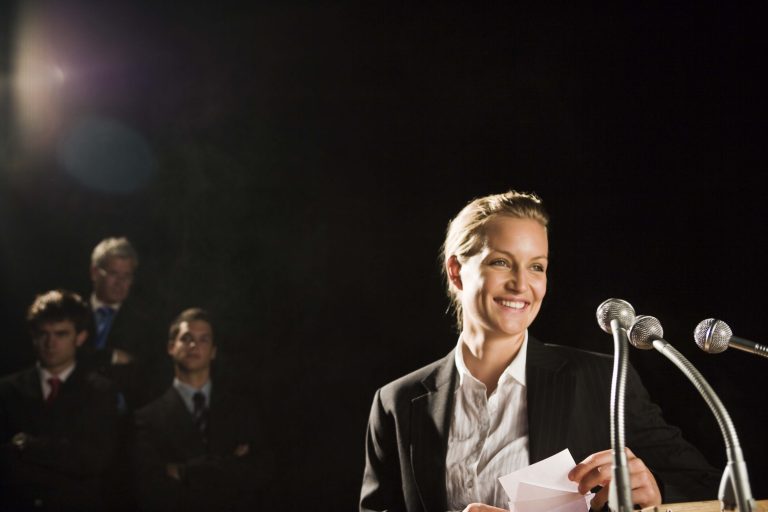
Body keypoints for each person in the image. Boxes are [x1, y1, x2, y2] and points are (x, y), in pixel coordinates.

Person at [359, 191, 719, 512]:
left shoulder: (601, 379)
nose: (521, 284)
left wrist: (656, 493)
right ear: (456, 272)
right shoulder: (397, 402)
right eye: (500, 261)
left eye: (536, 267)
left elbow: (707, 488)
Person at [133, 307, 264, 512]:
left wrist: (184, 472)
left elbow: (256, 474)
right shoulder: (146, 419)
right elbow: (151, 489)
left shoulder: (242, 410)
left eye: (204, 339)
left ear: (213, 351)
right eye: (186, 338)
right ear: (170, 347)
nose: (194, 345)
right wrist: (227, 465)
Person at [0, 290, 118, 511]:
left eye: (61, 334)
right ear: (33, 336)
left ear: (80, 337)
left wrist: (28, 446)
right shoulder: (7, 390)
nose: (50, 343)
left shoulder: (99, 392)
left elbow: (93, 459)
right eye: (43, 334)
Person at [82, 236, 164, 409]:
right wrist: (110, 356)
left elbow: (147, 377)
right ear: (94, 273)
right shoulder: (72, 313)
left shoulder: (145, 324)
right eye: (113, 274)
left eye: (126, 276)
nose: (120, 283)